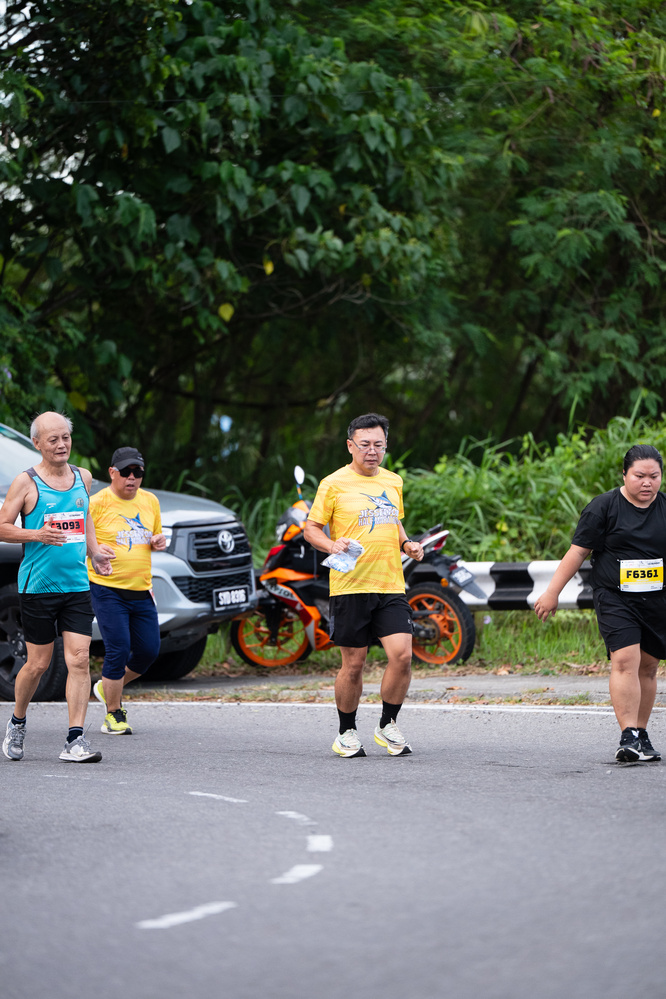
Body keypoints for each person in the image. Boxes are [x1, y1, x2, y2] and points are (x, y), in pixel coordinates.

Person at [534, 444, 666, 762]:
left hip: (657, 599)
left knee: (649, 666)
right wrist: (552, 592)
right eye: (639, 476)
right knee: (625, 660)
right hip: (614, 597)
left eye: (654, 476)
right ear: (624, 475)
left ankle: (641, 734)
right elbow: (577, 552)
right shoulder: (603, 507)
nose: (647, 482)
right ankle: (628, 734)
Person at [303, 413, 424, 758]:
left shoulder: (393, 481)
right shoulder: (333, 483)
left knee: (402, 656)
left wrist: (407, 544)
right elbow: (311, 529)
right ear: (350, 446)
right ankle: (346, 732)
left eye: (379, 445)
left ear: (386, 446)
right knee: (353, 665)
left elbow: (394, 522)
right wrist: (331, 545)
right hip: (350, 586)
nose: (372, 451)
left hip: (390, 584)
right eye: (365, 444)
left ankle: (387, 724)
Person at [0, 412, 114, 763]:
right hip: (38, 587)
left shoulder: (83, 477)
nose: (62, 444)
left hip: (76, 585)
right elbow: (2, 527)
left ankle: (75, 740)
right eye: (53, 439)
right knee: (38, 663)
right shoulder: (26, 482)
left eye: (66, 437)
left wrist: (95, 552)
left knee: (79, 659)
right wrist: (36, 534)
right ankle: (17, 721)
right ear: (37, 443)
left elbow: (84, 518)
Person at [88, 447, 166, 734]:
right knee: (118, 648)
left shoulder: (150, 501)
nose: (132, 477)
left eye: (138, 472)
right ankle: (113, 713)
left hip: (141, 589)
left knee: (148, 651)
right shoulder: (96, 503)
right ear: (112, 472)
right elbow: (79, 541)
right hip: (107, 588)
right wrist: (95, 548)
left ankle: (107, 686)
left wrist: (158, 542)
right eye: (125, 472)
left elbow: (154, 537)